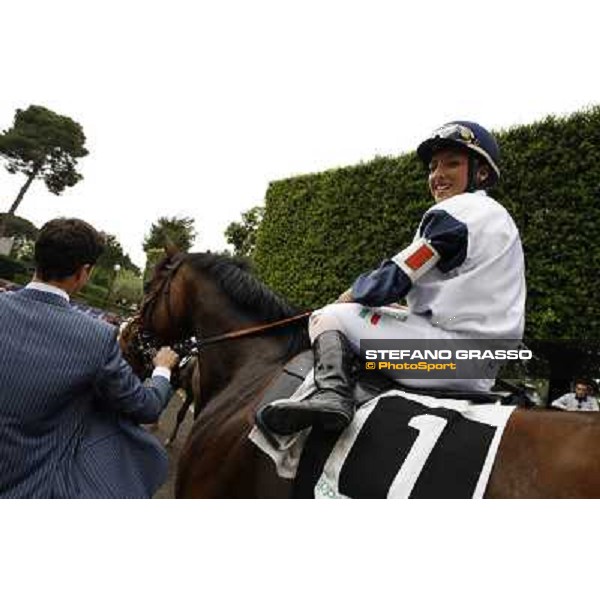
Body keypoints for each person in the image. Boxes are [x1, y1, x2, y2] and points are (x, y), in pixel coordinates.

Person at [261, 121, 526, 436]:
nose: (438, 175)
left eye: (452, 163)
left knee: (329, 317)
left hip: (443, 358)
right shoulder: (497, 217)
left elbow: (398, 275)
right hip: (481, 366)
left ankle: (332, 396)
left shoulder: (460, 210)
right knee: (387, 314)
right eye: (433, 166)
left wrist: (349, 296)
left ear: (481, 172)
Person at [0, 218, 179, 498]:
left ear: (37, 257)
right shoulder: (96, 337)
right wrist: (162, 371)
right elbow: (145, 407)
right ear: (84, 272)